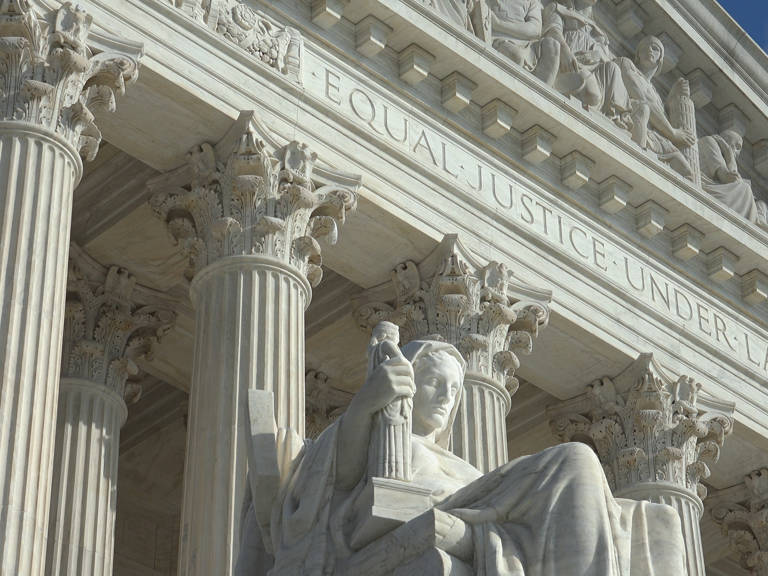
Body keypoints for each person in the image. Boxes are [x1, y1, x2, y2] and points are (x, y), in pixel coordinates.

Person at [265, 337, 687, 575]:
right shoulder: (375, 433)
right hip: (441, 519)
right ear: (408, 383)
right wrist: (365, 405)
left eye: (455, 389)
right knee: (575, 460)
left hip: (481, 518)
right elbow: (340, 481)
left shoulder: (462, 466)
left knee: (660, 521)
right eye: (433, 382)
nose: (448, 397)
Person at [617, 36, 696, 179]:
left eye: (655, 48)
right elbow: (641, 96)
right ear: (638, 54)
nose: (649, 50)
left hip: (654, 136)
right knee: (644, 108)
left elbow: (659, 115)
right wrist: (673, 132)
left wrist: (672, 98)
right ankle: (636, 165)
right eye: (644, 47)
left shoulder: (656, 93)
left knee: (687, 172)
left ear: (661, 58)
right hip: (631, 117)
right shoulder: (627, 64)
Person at [543, 0, 630, 124]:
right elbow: (552, 30)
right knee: (593, 95)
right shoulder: (558, 8)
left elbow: (607, 57)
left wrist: (598, 55)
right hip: (571, 63)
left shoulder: (599, 32)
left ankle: (617, 118)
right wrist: (565, 50)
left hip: (595, 69)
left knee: (613, 68)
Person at [699, 129, 768, 227]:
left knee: (761, 204)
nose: (738, 153)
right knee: (745, 188)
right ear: (726, 140)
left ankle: (758, 220)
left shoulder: (725, 156)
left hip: (718, 187)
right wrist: (729, 154)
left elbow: (732, 177)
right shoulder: (709, 141)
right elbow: (727, 177)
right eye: (737, 147)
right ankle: (756, 221)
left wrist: (729, 156)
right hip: (707, 185)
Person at [486, 0, 560, 85]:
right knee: (516, 55)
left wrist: (499, 25)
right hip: (499, 38)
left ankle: (538, 94)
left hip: (525, 44)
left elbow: (535, 30)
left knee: (553, 45)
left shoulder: (532, 2)